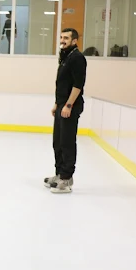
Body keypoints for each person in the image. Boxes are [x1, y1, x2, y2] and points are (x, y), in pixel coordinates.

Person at [44, 28, 87, 194]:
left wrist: (68, 105)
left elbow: (78, 84)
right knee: (58, 141)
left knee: (67, 142)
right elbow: (62, 84)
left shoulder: (77, 58)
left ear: (74, 41)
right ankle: (59, 174)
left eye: (66, 38)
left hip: (71, 106)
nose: (62, 40)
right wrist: (57, 104)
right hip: (62, 104)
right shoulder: (65, 56)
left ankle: (67, 179)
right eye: (61, 37)